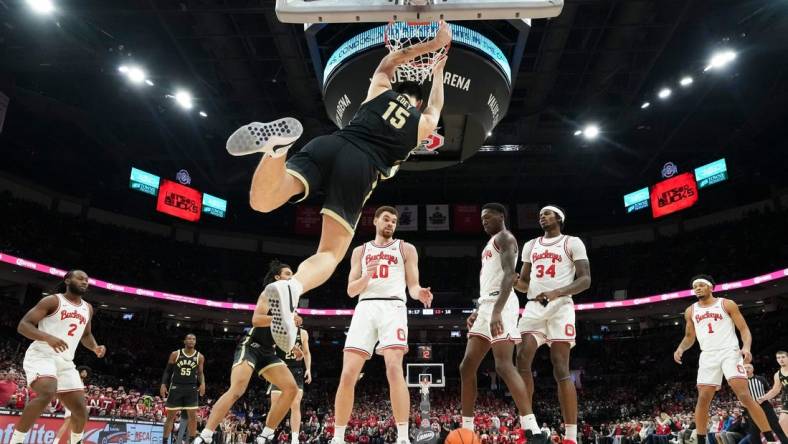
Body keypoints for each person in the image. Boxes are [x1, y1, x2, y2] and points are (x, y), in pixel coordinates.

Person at [225, 21, 452, 351]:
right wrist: (440, 67)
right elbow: (436, 106)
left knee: (264, 201)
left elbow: (390, 61)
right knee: (330, 252)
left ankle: (277, 150)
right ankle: (294, 287)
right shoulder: (422, 124)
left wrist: (429, 46)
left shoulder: (380, 90)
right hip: (361, 166)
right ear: (415, 104)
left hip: (330, 144)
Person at [332, 206, 433, 444]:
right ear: (375, 221)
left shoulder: (406, 248)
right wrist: (367, 276)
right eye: (386, 219)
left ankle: (402, 437)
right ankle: (337, 437)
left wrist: (421, 294)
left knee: (394, 369)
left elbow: (413, 286)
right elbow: (350, 290)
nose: (390, 224)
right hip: (365, 307)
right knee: (347, 375)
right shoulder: (360, 251)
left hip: (394, 308)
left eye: (394, 221)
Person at [193, 261, 300, 444]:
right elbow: (257, 320)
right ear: (277, 278)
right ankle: (206, 435)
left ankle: (266, 434)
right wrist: (286, 318)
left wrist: (293, 347)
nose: (292, 277)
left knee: (291, 389)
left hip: (268, 352)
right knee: (237, 390)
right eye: (288, 273)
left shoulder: (292, 304)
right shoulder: (269, 293)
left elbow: (282, 336)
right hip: (251, 346)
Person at [513, 206, 591, 444]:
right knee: (522, 359)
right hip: (534, 308)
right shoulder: (530, 245)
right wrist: (514, 281)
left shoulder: (572, 242)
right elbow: (525, 284)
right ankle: (529, 426)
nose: (542, 216)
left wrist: (556, 292)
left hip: (561, 307)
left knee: (560, 368)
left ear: (559, 218)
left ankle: (570, 436)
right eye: (540, 214)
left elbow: (585, 280)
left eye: (547, 213)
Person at [673, 274, 780, 444]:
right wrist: (680, 348)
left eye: (701, 285)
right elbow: (689, 336)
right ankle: (701, 441)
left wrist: (746, 347)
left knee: (744, 396)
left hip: (729, 351)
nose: (698, 288)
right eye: (695, 286)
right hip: (707, 354)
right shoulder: (691, 310)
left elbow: (744, 329)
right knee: (702, 399)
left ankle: (770, 438)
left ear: (711, 287)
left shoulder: (726, 304)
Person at [462, 204, 535, 441]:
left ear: (501, 216)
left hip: (500, 305)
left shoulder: (505, 237)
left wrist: (496, 311)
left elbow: (508, 276)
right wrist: (478, 310)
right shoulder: (490, 242)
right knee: (466, 366)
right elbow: (491, 282)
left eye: (488, 216)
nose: (483, 221)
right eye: (481, 218)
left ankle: (531, 427)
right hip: (487, 304)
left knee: (503, 365)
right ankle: (467, 429)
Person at [10, 270, 106, 444]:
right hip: (42, 355)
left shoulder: (88, 308)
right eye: (80, 278)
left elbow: (86, 335)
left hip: (66, 362)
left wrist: (95, 347)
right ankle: (16, 440)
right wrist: (48, 337)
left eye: (87, 279)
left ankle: (76, 441)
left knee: (80, 411)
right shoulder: (53, 300)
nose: (85, 282)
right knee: (47, 392)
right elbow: (23, 325)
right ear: (68, 280)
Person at [268, 314, 312, 444]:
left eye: (296, 315)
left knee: (295, 403)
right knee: (275, 404)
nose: (295, 318)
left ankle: (294, 438)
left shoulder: (303, 333)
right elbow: (269, 350)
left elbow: (307, 352)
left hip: (296, 370)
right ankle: (268, 431)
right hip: (280, 368)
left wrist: (308, 369)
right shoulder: (278, 331)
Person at [161, 334, 206, 443]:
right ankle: (164, 441)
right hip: (176, 387)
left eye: (194, 339)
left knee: (193, 416)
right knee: (170, 416)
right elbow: (167, 371)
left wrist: (203, 383)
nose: (191, 341)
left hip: (191, 388)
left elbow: (200, 373)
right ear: (184, 341)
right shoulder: (175, 354)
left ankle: (191, 440)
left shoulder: (199, 356)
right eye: (189, 339)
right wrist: (163, 384)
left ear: (195, 342)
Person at [52, 366, 90, 444]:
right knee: (67, 423)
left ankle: (70, 441)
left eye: (86, 372)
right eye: (83, 372)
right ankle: (55, 442)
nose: (85, 373)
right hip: (71, 402)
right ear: (79, 372)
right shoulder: (75, 380)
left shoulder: (81, 382)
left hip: (76, 404)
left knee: (72, 425)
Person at [759, 350, 788, 437]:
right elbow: (775, 390)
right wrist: (763, 398)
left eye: (783, 357)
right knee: (782, 421)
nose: (781, 359)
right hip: (787, 399)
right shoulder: (778, 375)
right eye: (778, 358)